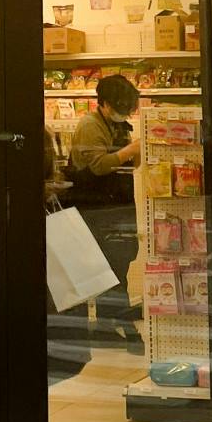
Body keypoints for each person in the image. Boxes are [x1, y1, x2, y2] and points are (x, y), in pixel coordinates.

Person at [67, 72, 143, 352]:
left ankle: (109, 323)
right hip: (94, 210)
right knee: (107, 269)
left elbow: (126, 166)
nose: (125, 114)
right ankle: (120, 324)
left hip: (116, 207)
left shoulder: (119, 127)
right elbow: (98, 165)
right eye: (121, 108)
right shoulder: (90, 125)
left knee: (118, 264)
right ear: (106, 104)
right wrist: (131, 150)